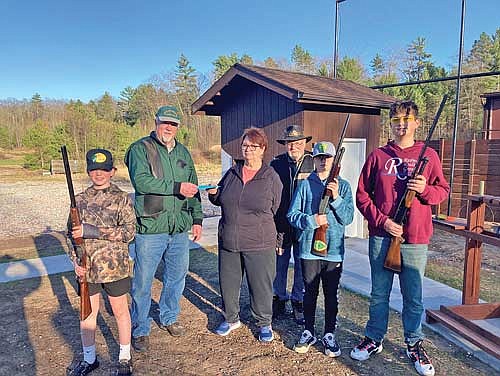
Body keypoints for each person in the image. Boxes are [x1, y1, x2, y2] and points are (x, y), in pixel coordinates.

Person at [350, 100, 449, 376]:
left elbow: (443, 191)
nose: (401, 125)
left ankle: (414, 344)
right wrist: (383, 222)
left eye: (407, 120)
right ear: (390, 125)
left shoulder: (429, 155)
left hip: (416, 239)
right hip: (383, 238)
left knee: (413, 297)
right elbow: (361, 195)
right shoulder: (378, 156)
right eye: (396, 121)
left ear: (416, 123)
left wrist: (425, 189)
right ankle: (374, 338)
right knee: (379, 294)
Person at [125, 105, 203, 353]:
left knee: (176, 278)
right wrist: (176, 187)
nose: (168, 127)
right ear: (156, 122)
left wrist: (197, 219)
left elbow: (193, 187)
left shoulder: (183, 152)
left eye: (174, 124)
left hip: (178, 228)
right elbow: (142, 181)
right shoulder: (141, 149)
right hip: (151, 226)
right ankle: (140, 328)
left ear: (178, 127)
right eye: (165, 123)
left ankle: (169, 317)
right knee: (143, 281)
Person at [207, 127, 282, 342]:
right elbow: (221, 199)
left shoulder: (270, 177)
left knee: (260, 285)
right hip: (229, 239)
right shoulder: (232, 173)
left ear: (263, 149)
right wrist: (214, 195)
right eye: (245, 145)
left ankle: (264, 323)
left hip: (259, 241)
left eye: (253, 146)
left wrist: (278, 239)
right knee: (228, 283)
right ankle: (231, 318)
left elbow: (276, 209)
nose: (248, 149)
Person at [66, 149, 136, 376]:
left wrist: (93, 230)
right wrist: (75, 261)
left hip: (115, 267)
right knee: (87, 314)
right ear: (88, 171)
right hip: (89, 269)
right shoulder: (79, 200)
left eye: (104, 170)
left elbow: (129, 232)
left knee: (120, 311)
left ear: (112, 172)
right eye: (94, 170)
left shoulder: (121, 198)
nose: (99, 174)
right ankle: (89, 359)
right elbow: (71, 235)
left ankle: (124, 357)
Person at [287, 141, 354, 357]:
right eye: (319, 157)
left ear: (334, 161)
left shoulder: (343, 186)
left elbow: (349, 217)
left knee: (331, 295)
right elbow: (292, 215)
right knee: (310, 293)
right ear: (313, 160)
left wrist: (336, 197)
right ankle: (308, 331)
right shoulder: (305, 185)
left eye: (327, 157)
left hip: (334, 250)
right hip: (308, 249)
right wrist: (312, 220)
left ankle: (329, 334)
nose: (323, 160)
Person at [270, 125, 314, 324]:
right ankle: (278, 298)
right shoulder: (276, 164)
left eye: (297, 143)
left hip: (304, 224)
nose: (293, 146)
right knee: (279, 265)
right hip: (281, 224)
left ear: (304, 143)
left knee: (301, 266)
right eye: (290, 143)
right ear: (285, 145)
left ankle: (298, 300)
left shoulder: (313, 162)